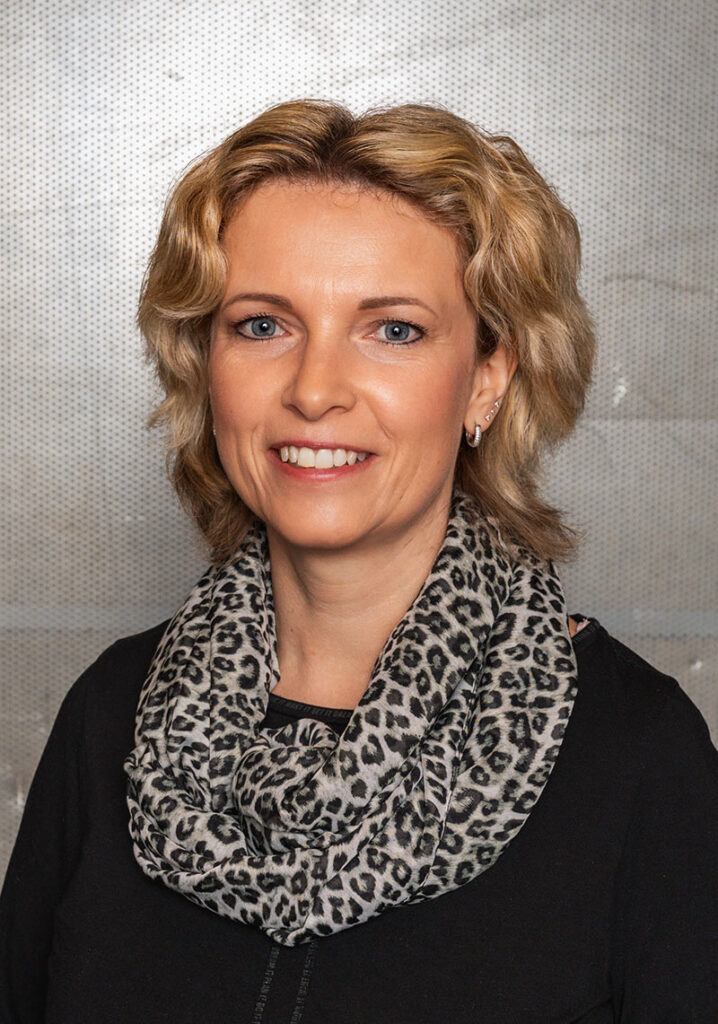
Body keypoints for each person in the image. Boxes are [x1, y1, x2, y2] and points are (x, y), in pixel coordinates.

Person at [1, 99, 716, 1024]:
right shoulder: (112, 715)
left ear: (488, 378)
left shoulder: (636, 757)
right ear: (205, 363)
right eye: (263, 325)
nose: (314, 390)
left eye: (394, 330)